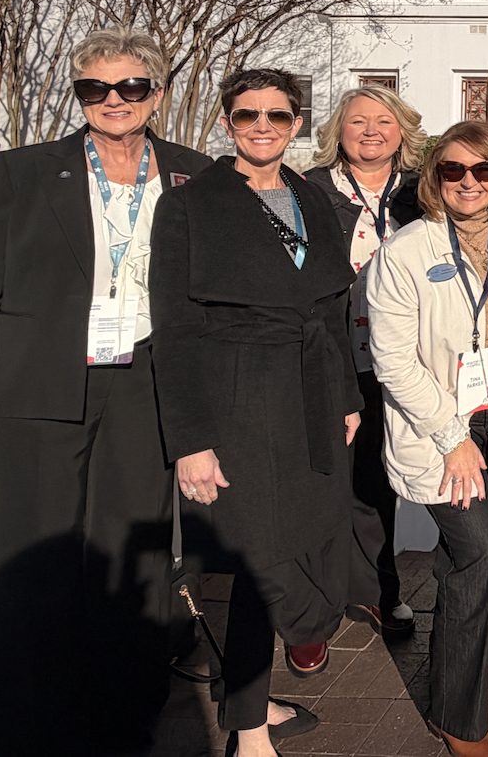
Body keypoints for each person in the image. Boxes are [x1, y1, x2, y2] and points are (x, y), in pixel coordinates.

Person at [0, 29, 209, 757]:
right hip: (32, 392)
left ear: (156, 92)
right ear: (78, 94)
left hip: (143, 391)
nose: (113, 101)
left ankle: (121, 723)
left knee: (129, 563)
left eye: (130, 87)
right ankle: (4, 728)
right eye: (95, 89)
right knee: (22, 562)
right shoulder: (21, 172)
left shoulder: (193, 174)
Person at [151, 68, 361, 757]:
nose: (262, 127)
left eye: (277, 115)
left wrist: (348, 398)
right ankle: (246, 730)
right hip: (238, 398)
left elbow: (331, 305)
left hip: (312, 395)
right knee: (254, 562)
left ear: (298, 122)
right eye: (247, 116)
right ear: (226, 122)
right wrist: (191, 441)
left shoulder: (312, 197)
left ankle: (252, 699)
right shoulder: (191, 205)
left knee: (304, 549)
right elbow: (175, 328)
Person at [366, 121, 488, 757]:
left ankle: (465, 661)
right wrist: (450, 437)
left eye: (483, 171)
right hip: (446, 432)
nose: (468, 183)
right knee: (477, 553)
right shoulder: (407, 251)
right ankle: (457, 717)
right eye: (453, 171)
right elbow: (394, 361)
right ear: (433, 179)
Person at [304, 85, 428, 646]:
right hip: (328, 360)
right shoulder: (307, 192)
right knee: (319, 481)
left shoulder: (422, 193)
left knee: (376, 485)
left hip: (399, 362)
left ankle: (378, 591)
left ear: (402, 129)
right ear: (338, 131)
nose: (371, 130)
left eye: (384, 120)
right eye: (358, 121)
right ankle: (309, 609)